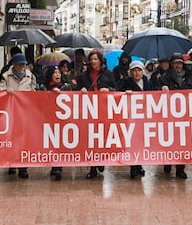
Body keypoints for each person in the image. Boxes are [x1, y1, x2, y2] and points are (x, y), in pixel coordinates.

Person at [77, 50, 117, 179]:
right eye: (91, 59)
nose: (93, 61)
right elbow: (77, 90)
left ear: (100, 60)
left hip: (104, 110)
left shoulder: (108, 74)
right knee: (92, 139)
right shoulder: (83, 75)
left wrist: (109, 90)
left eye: (96, 59)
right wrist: (81, 90)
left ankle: (101, 161)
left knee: (102, 138)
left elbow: (116, 89)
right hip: (89, 111)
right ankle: (93, 167)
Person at [0, 53, 37, 179]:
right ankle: (12, 163)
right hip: (11, 113)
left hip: (25, 113)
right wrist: (5, 90)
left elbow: (34, 91)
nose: (22, 66)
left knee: (24, 140)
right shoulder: (6, 76)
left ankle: (23, 167)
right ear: (13, 64)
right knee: (12, 139)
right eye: (20, 64)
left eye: (24, 64)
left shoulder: (31, 76)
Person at [160, 54, 192, 179]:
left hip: (185, 114)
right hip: (169, 114)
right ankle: (168, 162)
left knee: (182, 142)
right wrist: (161, 88)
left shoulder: (191, 76)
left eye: (180, 63)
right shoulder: (164, 77)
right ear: (172, 64)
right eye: (175, 63)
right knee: (169, 140)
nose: (178, 65)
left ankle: (180, 168)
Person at [118, 61, 152, 178]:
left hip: (144, 117)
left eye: (139, 70)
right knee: (132, 142)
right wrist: (124, 93)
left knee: (141, 142)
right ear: (130, 72)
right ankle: (133, 166)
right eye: (134, 70)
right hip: (130, 118)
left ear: (142, 72)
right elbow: (117, 94)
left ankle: (139, 164)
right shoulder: (126, 82)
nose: (137, 73)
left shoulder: (147, 82)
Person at [43, 66, 73, 180]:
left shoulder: (67, 87)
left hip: (63, 120)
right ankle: (55, 167)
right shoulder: (44, 87)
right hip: (49, 120)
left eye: (59, 73)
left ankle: (57, 167)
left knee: (60, 144)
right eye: (55, 72)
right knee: (52, 144)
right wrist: (50, 93)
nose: (57, 75)